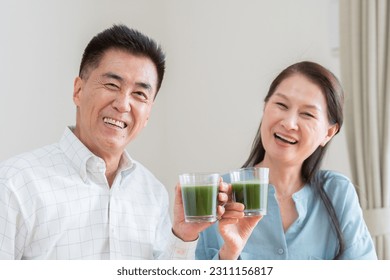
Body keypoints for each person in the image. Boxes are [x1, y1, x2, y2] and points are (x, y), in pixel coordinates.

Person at [0, 24, 227, 260]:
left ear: (148, 114)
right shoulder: (14, 184)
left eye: (139, 94)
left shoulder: (152, 192)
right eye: (112, 85)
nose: (123, 104)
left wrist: (183, 235)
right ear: (78, 90)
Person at [196, 61, 377, 260]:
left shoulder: (338, 193)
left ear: (329, 132)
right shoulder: (218, 195)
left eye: (307, 114)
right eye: (281, 105)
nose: (289, 123)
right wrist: (228, 255)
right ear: (265, 107)